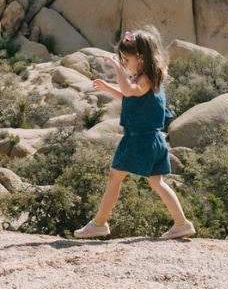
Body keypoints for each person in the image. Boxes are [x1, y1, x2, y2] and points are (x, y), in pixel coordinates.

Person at [75, 29, 195, 240]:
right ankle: (181, 224)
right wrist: (108, 87)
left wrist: (116, 67)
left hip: (139, 140)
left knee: (114, 178)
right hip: (155, 141)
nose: (124, 62)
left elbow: (130, 91)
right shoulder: (149, 78)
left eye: (126, 59)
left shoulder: (145, 78)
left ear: (141, 57)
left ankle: (98, 224)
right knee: (157, 183)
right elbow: (130, 97)